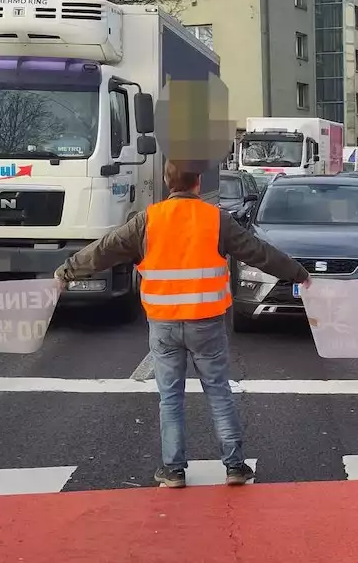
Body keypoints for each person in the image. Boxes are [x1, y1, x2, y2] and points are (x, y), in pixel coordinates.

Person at [55, 160, 310, 488]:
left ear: (166, 181)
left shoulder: (148, 221)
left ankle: (173, 470)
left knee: (170, 396)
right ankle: (234, 465)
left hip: (163, 324)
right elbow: (258, 252)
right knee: (218, 390)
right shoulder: (216, 220)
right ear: (198, 183)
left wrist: (67, 271)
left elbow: (104, 250)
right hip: (206, 322)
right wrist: (298, 273)